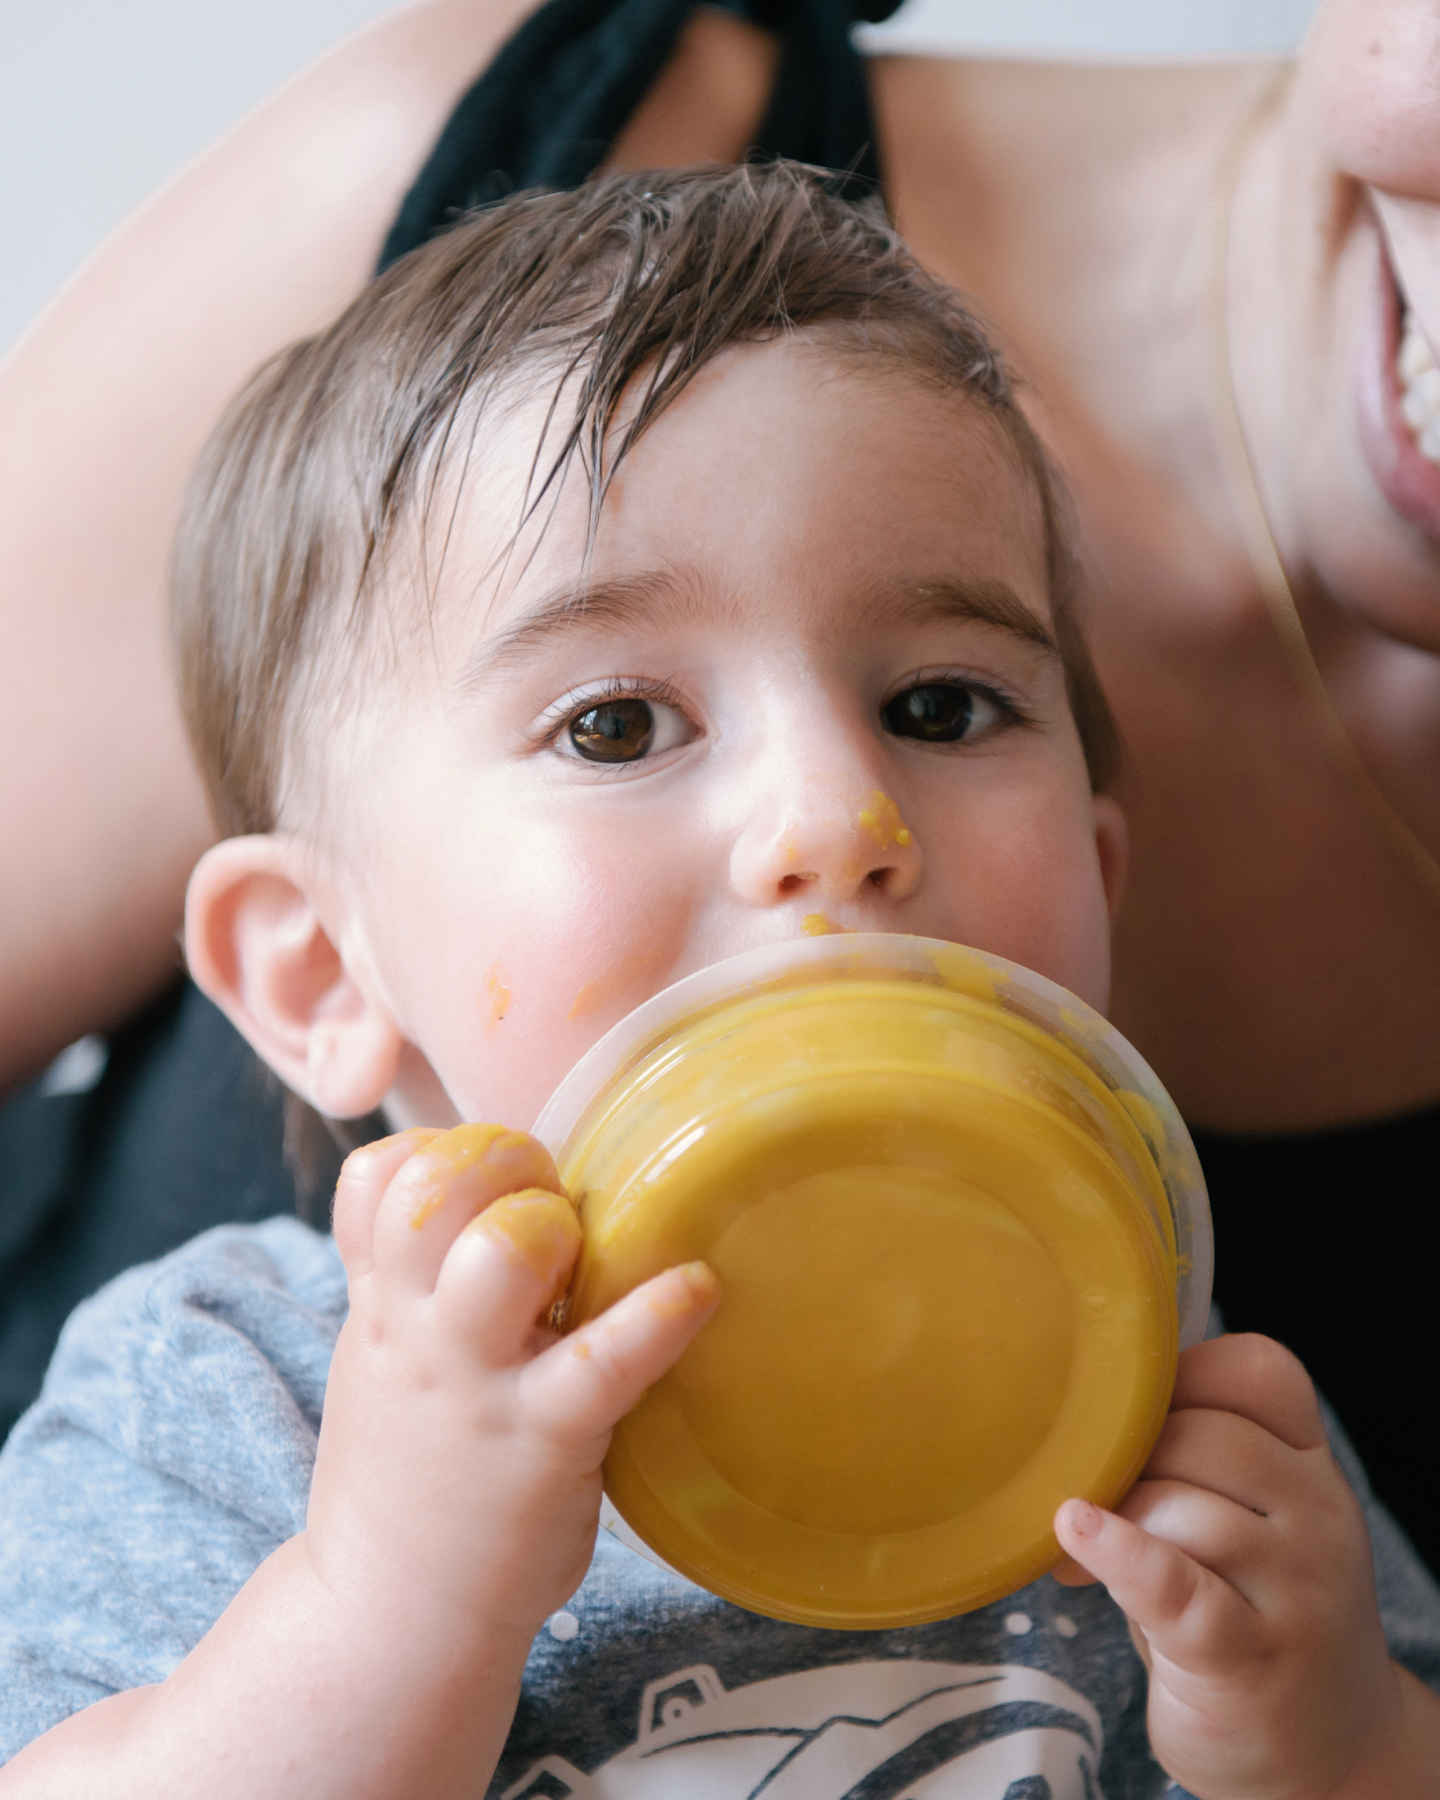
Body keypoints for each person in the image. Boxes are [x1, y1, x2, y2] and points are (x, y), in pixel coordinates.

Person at [2, 161, 1438, 1799]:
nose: (839, 818)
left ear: (1097, 894)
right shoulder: (235, 1389)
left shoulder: (1170, 1399)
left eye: (943, 707)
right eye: (615, 723)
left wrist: (1333, 1732)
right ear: (324, 970)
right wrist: (391, 1599)